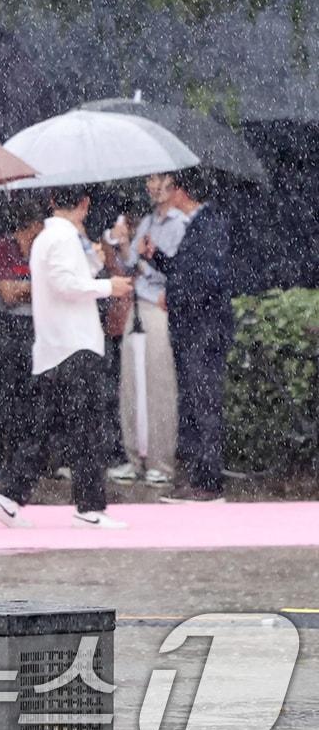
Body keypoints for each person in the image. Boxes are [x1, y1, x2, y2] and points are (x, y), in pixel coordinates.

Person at [0, 186, 134, 530]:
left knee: (46, 431)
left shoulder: (46, 238)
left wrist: (95, 262)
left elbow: (68, 279)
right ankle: (89, 507)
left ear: (53, 202)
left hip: (55, 346)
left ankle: (9, 497)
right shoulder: (63, 238)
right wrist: (108, 287)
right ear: (85, 204)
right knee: (85, 431)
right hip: (74, 346)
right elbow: (68, 284)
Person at [139, 168, 233, 504]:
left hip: (204, 328)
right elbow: (185, 270)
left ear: (182, 192)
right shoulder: (200, 225)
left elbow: (208, 278)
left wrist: (178, 296)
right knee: (193, 401)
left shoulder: (210, 225)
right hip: (193, 327)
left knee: (203, 401)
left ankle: (208, 481)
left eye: (171, 188)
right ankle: (198, 475)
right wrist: (158, 258)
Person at [111, 173, 186, 487]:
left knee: (159, 385)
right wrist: (126, 242)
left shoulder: (180, 224)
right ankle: (133, 459)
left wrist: (143, 259)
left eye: (157, 179)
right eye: (150, 181)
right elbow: (130, 264)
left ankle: (161, 463)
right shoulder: (146, 221)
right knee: (130, 384)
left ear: (172, 183)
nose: (152, 187)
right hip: (136, 307)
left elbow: (171, 269)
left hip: (158, 307)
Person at [0, 198, 45, 479]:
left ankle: (24, 463)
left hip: (36, 327)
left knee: (30, 398)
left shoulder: (43, 249)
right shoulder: (5, 248)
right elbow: (6, 292)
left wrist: (25, 288)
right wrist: (40, 285)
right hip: (7, 328)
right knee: (1, 397)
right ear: (30, 227)